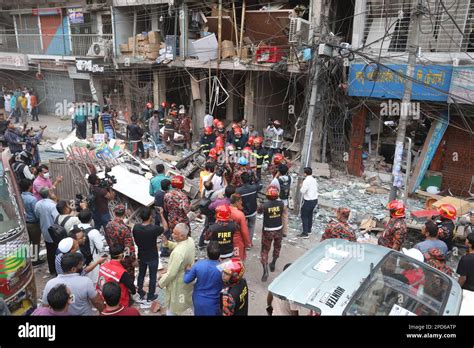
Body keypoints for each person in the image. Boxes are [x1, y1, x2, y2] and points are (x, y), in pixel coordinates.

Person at [158, 223, 195, 316]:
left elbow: (171, 274)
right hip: (188, 278)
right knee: (186, 300)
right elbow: (180, 246)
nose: (172, 235)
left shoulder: (177, 253)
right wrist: (168, 244)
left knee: (173, 307)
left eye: (175, 234)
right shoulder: (190, 240)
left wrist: (161, 282)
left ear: (182, 236)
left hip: (178, 283)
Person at [132, 207, 167, 304]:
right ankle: (151, 295)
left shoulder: (136, 227)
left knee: (141, 274)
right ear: (150, 217)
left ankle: (140, 292)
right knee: (152, 276)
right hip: (152, 255)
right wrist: (161, 214)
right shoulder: (153, 229)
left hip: (141, 255)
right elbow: (165, 227)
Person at [183, 241, 223, 316]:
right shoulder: (223, 268)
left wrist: (187, 271)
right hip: (214, 301)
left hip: (198, 299)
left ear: (207, 253)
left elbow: (186, 280)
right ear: (219, 254)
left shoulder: (198, 265)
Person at [257, 186, 284, 282]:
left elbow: (259, 212)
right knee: (277, 247)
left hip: (268, 230)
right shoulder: (281, 203)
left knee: (265, 250)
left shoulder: (264, 205)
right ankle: (273, 264)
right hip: (279, 229)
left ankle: (265, 271)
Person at [104, 205, 136, 282]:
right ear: (125, 213)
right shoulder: (124, 229)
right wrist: (133, 259)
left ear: (114, 213)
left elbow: (107, 239)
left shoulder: (108, 225)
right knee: (128, 277)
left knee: (116, 275)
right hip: (124, 258)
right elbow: (129, 246)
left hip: (114, 256)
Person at [34, 188, 59, 276]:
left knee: (49, 251)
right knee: (57, 251)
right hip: (55, 231)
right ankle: (58, 270)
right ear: (49, 193)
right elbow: (57, 218)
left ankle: (52, 269)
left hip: (45, 230)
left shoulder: (38, 204)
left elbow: (37, 215)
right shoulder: (52, 205)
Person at [78, 209, 105, 284]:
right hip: (93, 260)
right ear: (91, 219)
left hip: (80, 258)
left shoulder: (75, 228)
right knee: (93, 282)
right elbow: (100, 248)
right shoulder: (94, 232)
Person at [20, 179, 43, 266]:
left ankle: (24, 261)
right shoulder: (32, 199)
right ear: (29, 187)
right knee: (35, 242)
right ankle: (35, 260)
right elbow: (36, 212)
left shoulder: (20, 197)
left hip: (25, 223)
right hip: (33, 224)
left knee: (26, 242)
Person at [236, 172, 262, 245]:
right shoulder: (254, 187)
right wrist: (255, 176)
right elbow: (260, 185)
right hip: (252, 212)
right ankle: (249, 243)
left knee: (241, 227)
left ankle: (241, 242)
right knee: (251, 227)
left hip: (242, 213)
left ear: (241, 180)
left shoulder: (238, 190)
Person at [270, 164, 291, 237]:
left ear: (279, 171)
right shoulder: (290, 178)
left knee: (275, 216)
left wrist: (276, 175)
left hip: (277, 201)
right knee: (285, 217)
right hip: (285, 201)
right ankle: (285, 232)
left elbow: (271, 186)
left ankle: (275, 231)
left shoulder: (276, 180)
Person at [298, 167, 319, 239]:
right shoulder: (314, 180)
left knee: (304, 216)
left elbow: (302, 191)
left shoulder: (306, 181)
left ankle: (305, 233)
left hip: (308, 200)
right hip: (315, 200)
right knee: (310, 215)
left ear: (305, 173)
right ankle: (309, 230)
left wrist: (301, 186)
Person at [229, 194, 251, 261]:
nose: (241, 202)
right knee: (237, 262)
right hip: (237, 242)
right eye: (240, 201)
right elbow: (244, 231)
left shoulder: (225, 211)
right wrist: (248, 243)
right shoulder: (240, 214)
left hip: (226, 242)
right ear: (236, 202)